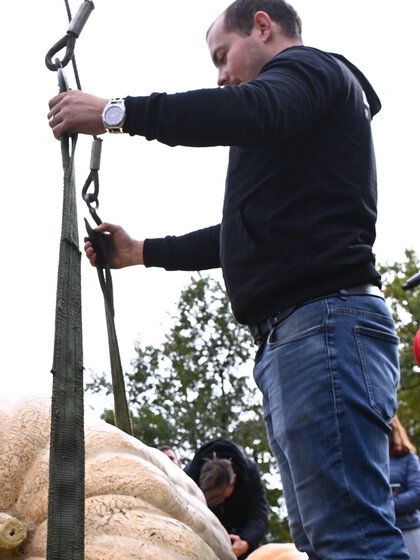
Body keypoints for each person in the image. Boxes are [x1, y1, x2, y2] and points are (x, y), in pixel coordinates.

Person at [48, 1, 405, 557]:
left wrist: (116, 113)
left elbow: (248, 110)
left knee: (350, 540)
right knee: (324, 540)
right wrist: (141, 251)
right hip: (301, 336)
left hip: (322, 327)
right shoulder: (298, 133)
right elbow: (241, 233)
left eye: (222, 56)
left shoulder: (310, 69)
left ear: (262, 26)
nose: (219, 75)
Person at [185, 439, 268, 558]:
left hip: (239, 543)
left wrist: (246, 541)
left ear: (233, 480)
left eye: (222, 496)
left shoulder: (250, 475)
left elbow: (258, 516)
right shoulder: (187, 477)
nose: (220, 502)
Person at [390, 416, 420, 559]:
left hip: (409, 530)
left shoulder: (409, 458)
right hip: (381, 531)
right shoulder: (369, 461)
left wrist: (385, 504)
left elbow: (417, 494)